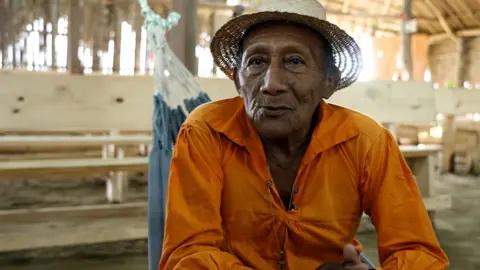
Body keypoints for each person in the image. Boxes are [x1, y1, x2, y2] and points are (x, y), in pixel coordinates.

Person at [159, 0, 449, 269]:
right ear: (237, 79)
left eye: (294, 61)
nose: (271, 85)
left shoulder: (366, 142)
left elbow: (418, 253)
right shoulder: (207, 132)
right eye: (257, 62)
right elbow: (188, 255)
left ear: (329, 82)